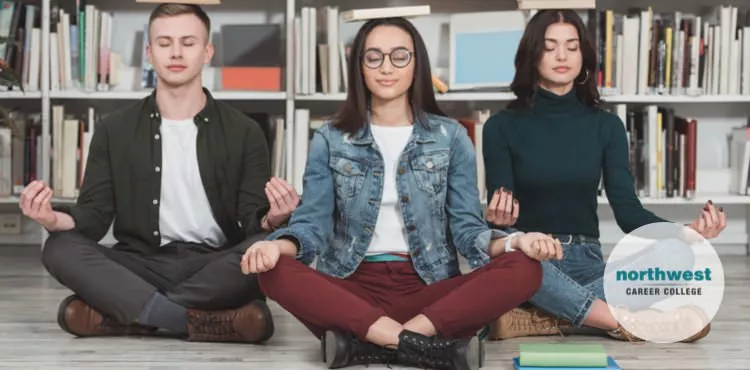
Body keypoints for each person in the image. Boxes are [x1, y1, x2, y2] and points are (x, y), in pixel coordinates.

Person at [240, 17, 562, 370]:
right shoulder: (330, 138)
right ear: (359, 66)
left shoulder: (451, 137)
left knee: (527, 269)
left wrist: (518, 243)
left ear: (417, 64)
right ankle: (427, 348)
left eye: (399, 56)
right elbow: (311, 226)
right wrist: (275, 247)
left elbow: (469, 232)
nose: (386, 67)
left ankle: (370, 345)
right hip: (351, 290)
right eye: (373, 57)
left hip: (429, 291)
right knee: (272, 270)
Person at [19, 4, 299, 343]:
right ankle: (196, 320)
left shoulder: (245, 131)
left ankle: (129, 315)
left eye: (188, 42)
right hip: (139, 264)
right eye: (164, 43)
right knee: (58, 248)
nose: (176, 52)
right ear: (150, 53)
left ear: (207, 51)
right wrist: (51, 219)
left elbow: (252, 222)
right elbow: (93, 218)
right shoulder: (114, 129)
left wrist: (274, 218)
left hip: (214, 264)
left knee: (270, 248)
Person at [482, 9, 727, 343]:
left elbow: (627, 211)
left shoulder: (607, 125)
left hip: (587, 260)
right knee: (513, 266)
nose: (561, 55)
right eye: (550, 46)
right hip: (533, 259)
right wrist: (498, 219)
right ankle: (617, 318)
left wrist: (685, 232)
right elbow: (503, 217)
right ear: (532, 54)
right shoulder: (500, 127)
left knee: (677, 255)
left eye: (571, 46)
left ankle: (546, 318)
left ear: (584, 54)